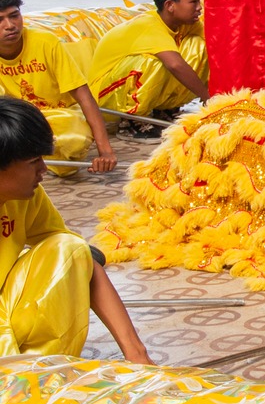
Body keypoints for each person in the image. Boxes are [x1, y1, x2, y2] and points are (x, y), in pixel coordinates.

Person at [0, 97, 152, 359]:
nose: (44, 170)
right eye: (34, 161)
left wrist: (136, 352)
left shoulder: (25, 197)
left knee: (69, 248)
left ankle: (37, 369)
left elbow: (79, 257)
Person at [0, 0, 116, 173]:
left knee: (73, 141)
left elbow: (84, 96)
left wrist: (106, 152)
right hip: (18, 122)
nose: (10, 25)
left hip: (60, 116)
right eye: (0, 20)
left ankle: (29, 158)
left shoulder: (46, 42)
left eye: (14, 16)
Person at [88, 0, 209, 120]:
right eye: (193, 2)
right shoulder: (148, 25)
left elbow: (216, 46)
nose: (199, 7)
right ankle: (132, 119)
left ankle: (164, 108)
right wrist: (209, 99)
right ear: (170, 5)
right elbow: (175, 65)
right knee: (157, 62)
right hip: (101, 100)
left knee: (201, 46)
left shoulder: (186, 24)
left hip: (122, 87)